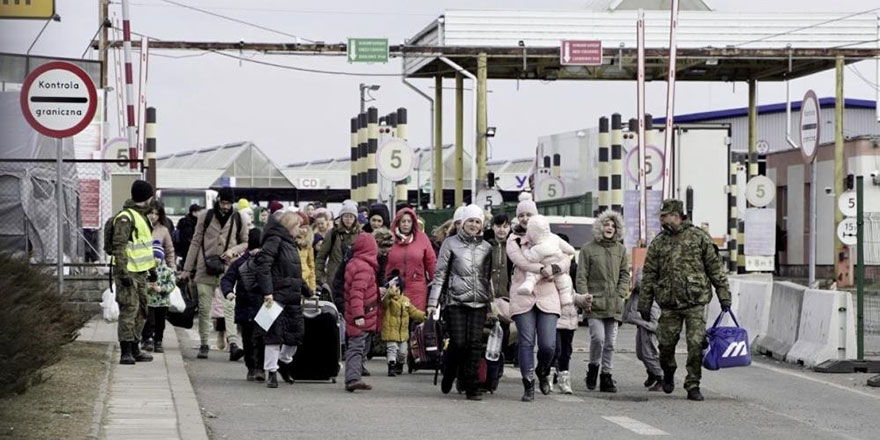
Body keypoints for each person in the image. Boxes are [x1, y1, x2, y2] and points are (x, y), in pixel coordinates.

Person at [638, 199, 731, 402]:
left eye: (665, 215)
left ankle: (693, 384)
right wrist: (644, 303)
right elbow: (649, 275)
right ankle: (669, 371)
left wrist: (724, 295)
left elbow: (715, 269)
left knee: (696, 343)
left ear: (677, 215)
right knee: (665, 345)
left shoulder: (699, 238)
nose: (662, 219)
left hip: (695, 302)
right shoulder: (659, 243)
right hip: (669, 304)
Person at [506, 193, 570, 401]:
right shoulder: (513, 239)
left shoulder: (550, 237)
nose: (525, 218)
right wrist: (543, 268)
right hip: (523, 294)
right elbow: (522, 262)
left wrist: (556, 267)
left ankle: (543, 370)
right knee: (525, 341)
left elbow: (566, 259)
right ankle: (528, 383)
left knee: (548, 345)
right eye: (521, 214)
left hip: (548, 294)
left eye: (529, 214)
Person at [427, 205, 493, 401]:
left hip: (479, 301)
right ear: (463, 223)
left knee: (474, 344)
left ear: (482, 225)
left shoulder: (487, 247)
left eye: (477, 221)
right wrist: (433, 301)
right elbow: (440, 274)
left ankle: (471, 385)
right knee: (458, 342)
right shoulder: (450, 243)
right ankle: (450, 371)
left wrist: (490, 303)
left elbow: (487, 277)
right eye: (470, 221)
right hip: (455, 300)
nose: (473, 225)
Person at [181, 187, 248, 361]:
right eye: (223, 202)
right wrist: (187, 269)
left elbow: (245, 242)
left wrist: (233, 251)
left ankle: (233, 343)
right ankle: (204, 343)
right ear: (218, 201)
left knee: (229, 306)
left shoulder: (238, 218)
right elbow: (196, 241)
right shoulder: (206, 216)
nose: (225, 206)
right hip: (205, 267)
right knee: (204, 307)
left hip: (227, 268)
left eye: (228, 203)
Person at [255, 211, 311, 388]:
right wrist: (267, 291)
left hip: (292, 297)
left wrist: (307, 290)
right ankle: (271, 371)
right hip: (275, 297)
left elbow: (294, 273)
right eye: (299, 226)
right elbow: (263, 266)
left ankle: (282, 362)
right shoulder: (276, 241)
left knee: (295, 336)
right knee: (273, 336)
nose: (301, 231)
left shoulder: (290, 244)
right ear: (291, 227)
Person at [576, 209, 629, 393]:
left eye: (613, 225)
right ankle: (593, 369)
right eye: (606, 224)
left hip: (614, 304)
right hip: (594, 303)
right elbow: (581, 276)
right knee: (598, 338)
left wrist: (620, 293)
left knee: (611, 343)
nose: (609, 228)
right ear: (600, 226)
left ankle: (606, 375)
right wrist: (584, 296)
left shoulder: (621, 250)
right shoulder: (587, 249)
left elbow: (624, 274)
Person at [111, 179, 158, 365]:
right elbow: (119, 246)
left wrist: (152, 270)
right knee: (129, 310)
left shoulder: (142, 217)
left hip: (140, 272)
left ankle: (135, 346)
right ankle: (126, 350)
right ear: (147, 198)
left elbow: (145, 248)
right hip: (128, 272)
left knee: (141, 310)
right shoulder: (126, 217)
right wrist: (123, 274)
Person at [221, 229, 267, 382]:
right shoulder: (240, 263)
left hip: (262, 306)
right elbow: (227, 279)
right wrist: (228, 292)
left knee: (260, 338)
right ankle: (252, 367)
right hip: (246, 305)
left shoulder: (266, 262)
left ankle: (259, 368)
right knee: (248, 339)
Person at [343, 232, 382, 392]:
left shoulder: (354, 263)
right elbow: (357, 292)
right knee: (357, 347)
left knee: (360, 346)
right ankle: (352, 378)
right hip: (362, 315)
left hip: (359, 313)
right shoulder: (364, 268)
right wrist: (359, 315)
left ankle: (354, 375)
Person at [385, 207, 436, 313]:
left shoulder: (422, 238)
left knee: (415, 320)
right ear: (398, 222)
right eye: (403, 221)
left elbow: (431, 262)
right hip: (393, 288)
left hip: (417, 289)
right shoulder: (389, 239)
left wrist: (435, 284)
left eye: (409, 221)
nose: (406, 224)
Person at [140, 201, 176, 352]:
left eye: (156, 213)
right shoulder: (141, 226)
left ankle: (157, 340)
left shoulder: (163, 230)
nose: (153, 216)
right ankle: (146, 338)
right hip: (144, 267)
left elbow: (169, 250)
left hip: (161, 270)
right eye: (151, 213)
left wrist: (172, 268)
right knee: (148, 316)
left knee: (160, 319)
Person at [623, 268, 663, 392]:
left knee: (649, 352)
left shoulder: (659, 270)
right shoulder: (645, 268)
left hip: (649, 317)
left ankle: (661, 377)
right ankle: (653, 372)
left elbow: (641, 283)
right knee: (640, 353)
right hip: (641, 319)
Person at [381, 279, 425, 377]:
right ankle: (391, 367)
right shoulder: (388, 300)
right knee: (392, 349)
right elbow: (384, 302)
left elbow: (414, 312)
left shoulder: (406, 300)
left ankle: (399, 365)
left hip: (403, 333)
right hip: (391, 331)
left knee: (402, 353)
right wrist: (390, 290)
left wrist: (424, 316)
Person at [316, 200, 361, 290]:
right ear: (341, 217)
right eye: (346, 216)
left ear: (355, 219)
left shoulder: (360, 234)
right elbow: (321, 256)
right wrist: (317, 278)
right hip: (334, 277)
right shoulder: (333, 233)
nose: (348, 219)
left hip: (354, 277)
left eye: (351, 217)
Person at [295, 212, 317, 292]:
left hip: (305, 283)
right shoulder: (289, 242)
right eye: (301, 227)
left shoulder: (308, 243)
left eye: (305, 227)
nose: (304, 230)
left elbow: (311, 266)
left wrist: (312, 287)